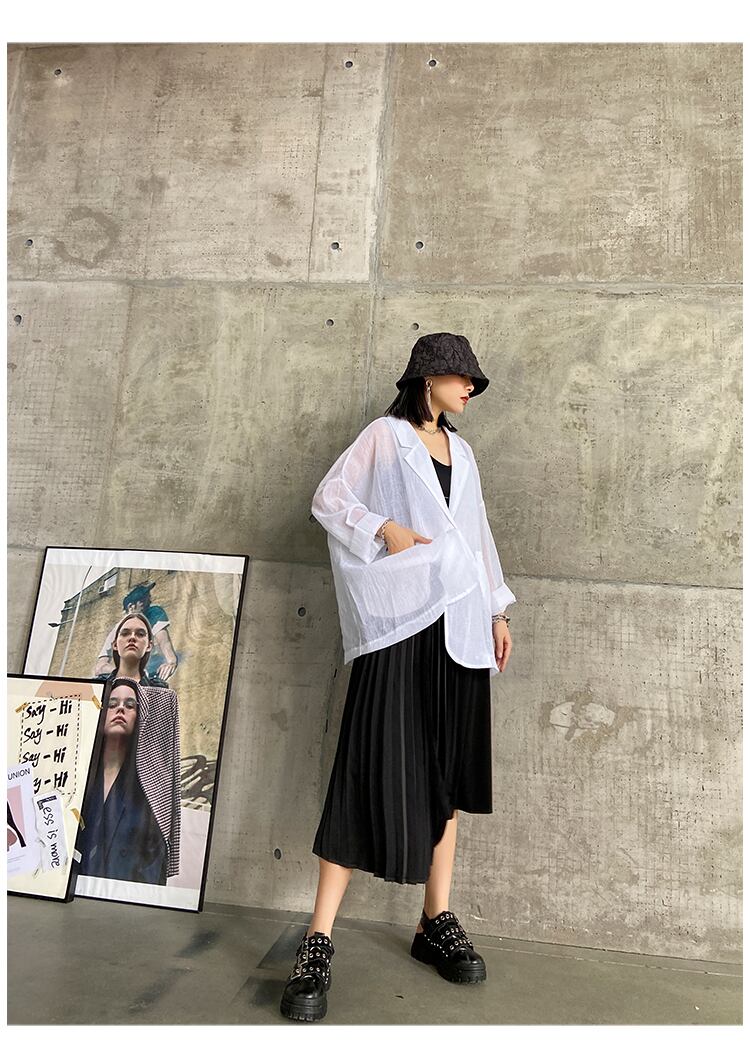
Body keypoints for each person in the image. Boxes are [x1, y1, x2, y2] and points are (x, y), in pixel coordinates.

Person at [280, 333, 516, 1022]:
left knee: (448, 772)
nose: (470, 388)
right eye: (462, 377)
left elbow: (477, 538)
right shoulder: (384, 438)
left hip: (461, 626)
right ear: (429, 377)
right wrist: (384, 527)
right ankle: (318, 939)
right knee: (367, 766)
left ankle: (434, 919)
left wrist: (497, 610)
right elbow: (329, 498)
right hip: (402, 624)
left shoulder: (464, 455)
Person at [78, 676, 181, 885]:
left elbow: (152, 863)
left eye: (130, 705)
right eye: (112, 704)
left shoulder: (149, 795)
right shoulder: (80, 780)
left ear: (140, 716)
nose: (120, 709)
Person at [92, 611, 169, 688]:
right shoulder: (97, 687)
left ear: (149, 646)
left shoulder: (160, 690)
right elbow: (100, 667)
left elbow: (165, 644)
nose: (132, 637)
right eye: (125, 634)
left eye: (140, 634)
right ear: (115, 645)